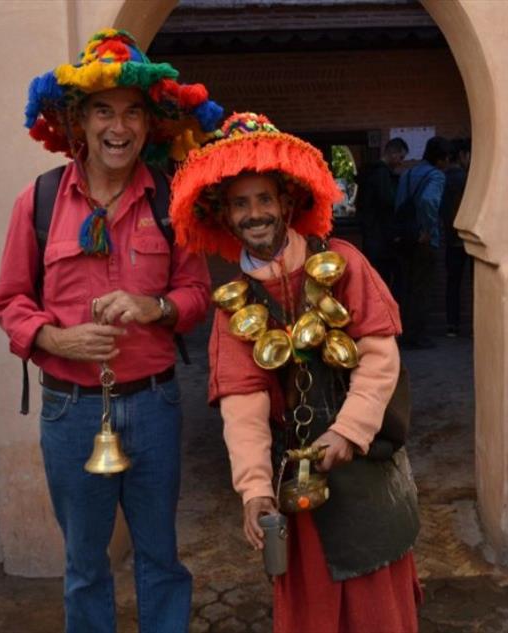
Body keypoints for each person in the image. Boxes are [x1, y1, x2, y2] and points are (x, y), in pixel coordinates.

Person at [0, 28, 222, 633]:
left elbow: (198, 295)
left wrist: (156, 309)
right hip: (70, 412)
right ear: (78, 122)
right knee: (85, 564)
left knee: (160, 559)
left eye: (131, 113)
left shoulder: (172, 204)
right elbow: (9, 301)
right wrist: (54, 339)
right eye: (103, 111)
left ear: (149, 125)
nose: (118, 127)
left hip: (154, 405)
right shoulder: (37, 202)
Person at [170, 113, 421, 632]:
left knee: (376, 605)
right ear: (225, 216)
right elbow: (243, 403)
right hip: (298, 482)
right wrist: (255, 487)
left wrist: (349, 430)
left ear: (287, 202)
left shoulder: (344, 262)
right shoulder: (231, 307)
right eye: (240, 203)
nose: (254, 213)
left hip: (366, 469)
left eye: (264, 199)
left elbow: (380, 357)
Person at [394, 136, 450, 349]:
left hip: (404, 238)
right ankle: (417, 336)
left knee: (407, 286)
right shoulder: (436, 176)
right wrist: (427, 229)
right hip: (423, 241)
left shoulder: (407, 174)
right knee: (422, 289)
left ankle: (405, 332)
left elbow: (399, 204)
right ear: (441, 159)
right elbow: (428, 200)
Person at [355, 137, 409, 287]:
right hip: (382, 241)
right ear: (392, 153)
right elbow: (388, 202)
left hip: (372, 237)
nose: (401, 162)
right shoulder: (382, 175)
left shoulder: (370, 173)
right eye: (400, 157)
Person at [440, 138, 472, 337]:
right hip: (469, 238)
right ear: (462, 155)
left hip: (451, 239)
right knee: (478, 283)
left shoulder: (441, 178)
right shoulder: (466, 178)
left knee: (453, 283)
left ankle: (453, 325)